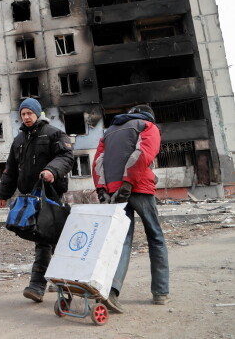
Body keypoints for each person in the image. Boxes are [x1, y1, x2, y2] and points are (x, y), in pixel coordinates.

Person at [92, 104, 168, 312]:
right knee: (156, 237)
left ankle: (112, 292)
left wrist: (101, 189)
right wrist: (128, 182)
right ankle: (160, 292)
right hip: (139, 187)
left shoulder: (109, 132)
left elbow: (98, 161)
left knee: (122, 242)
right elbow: (143, 154)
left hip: (115, 192)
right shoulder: (147, 126)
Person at [0, 98, 74, 302]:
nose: (26, 117)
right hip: (31, 198)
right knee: (42, 238)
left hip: (52, 196)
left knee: (52, 239)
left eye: (29, 113)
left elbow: (66, 157)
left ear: (38, 114)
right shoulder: (19, 140)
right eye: (23, 114)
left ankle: (56, 286)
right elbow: (11, 170)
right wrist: (3, 194)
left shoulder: (53, 133)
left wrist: (51, 170)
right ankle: (43, 285)